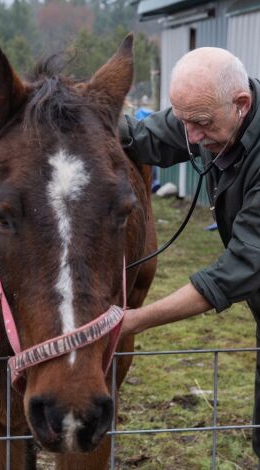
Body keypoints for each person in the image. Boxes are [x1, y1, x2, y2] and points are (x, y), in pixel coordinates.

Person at [119, 46, 260, 465]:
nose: (192, 137)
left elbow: (236, 270)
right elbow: (140, 136)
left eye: (200, 123)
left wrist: (133, 321)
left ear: (241, 104)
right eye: (184, 121)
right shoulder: (206, 116)